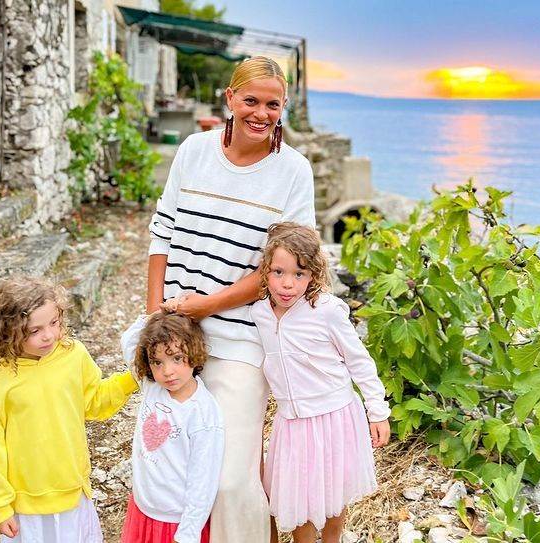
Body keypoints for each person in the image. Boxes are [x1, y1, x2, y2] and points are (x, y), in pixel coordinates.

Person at [147, 56, 315, 543]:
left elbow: (283, 268)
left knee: (230, 478)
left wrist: (205, 306)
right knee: (177, 462)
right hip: (175, 335)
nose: (261, 114)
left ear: (284, 107)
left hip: (241, 340)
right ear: (230, 98)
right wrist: (155, 316)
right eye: (251, 101)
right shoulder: (194, 151)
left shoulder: (294, 171)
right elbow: (162, 232)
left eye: (273, 105)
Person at [250, 223, 391, 543]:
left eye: (299, 274)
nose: (287, 283)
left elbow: (359, 361)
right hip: (292, 424)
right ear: (265, 270)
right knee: (299, 498)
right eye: (278, 272)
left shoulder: (326, 310)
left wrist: (377, 411)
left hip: (334, 417)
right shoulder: (259, 314)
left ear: (313, 275)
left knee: (333, 493)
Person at [0, 276, 138, 543]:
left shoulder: (73, 355)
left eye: (54, 322)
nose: (49, 335)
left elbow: (95, 402)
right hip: (26, 509)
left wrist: (132, 379)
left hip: (73, 492)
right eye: (34, 330)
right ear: (8, 330)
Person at [119, 312, 224, 543]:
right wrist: (155, 317)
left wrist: (187, 532)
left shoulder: (202, 413)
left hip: (175, 520)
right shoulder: (151, 386)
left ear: (194, 353)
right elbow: (128, 341)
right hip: (143, 506)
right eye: (157, 362)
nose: (167, 371)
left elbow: (203, 479)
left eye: (177, 358)